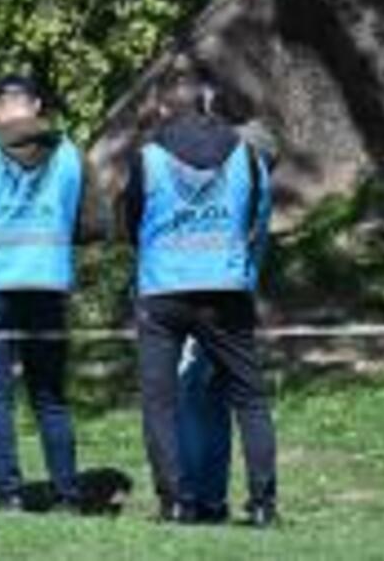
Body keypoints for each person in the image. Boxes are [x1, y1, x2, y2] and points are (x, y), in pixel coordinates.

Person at [121, 72, 279, 527]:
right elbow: (259, 218)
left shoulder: (147, 157)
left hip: (163, 290)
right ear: (210, 105)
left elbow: (132, 220)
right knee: (249, 398)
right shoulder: (249, 154)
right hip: (226, 288)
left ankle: (174, 501)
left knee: (160, 401)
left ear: (166, 109)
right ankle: (263, 504)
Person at [0, 74, 105, 512]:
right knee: (50, 395)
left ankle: (8, 492)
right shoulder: (73, 155)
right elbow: (96, 227)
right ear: (35, 106)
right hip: (47, 283)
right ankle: (68, 492)